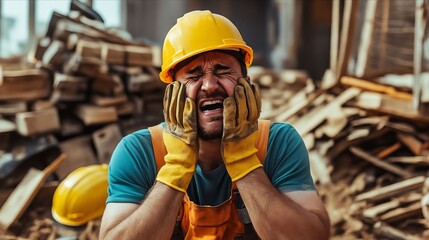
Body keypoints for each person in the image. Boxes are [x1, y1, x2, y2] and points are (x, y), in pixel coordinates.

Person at [99, 10, 330, 240]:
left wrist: (244, 162)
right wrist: (176, 168)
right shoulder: (139, 152)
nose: (209, 85)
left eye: (223, 70)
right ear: (172, 94)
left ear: (246, 84)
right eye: (193, 74)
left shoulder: (277, 143)